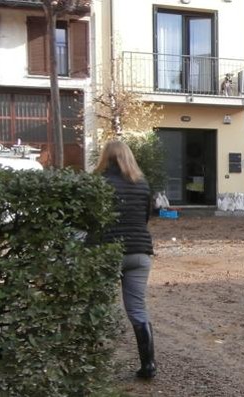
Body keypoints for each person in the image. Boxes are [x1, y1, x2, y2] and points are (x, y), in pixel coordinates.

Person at [95, 141, 157, 379]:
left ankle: (93, 364)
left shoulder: (99, 183)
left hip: (108, 252)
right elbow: (144, 217)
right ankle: (149, 365)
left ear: (106, 158)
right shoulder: (142, 184)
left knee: (98, 307)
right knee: (138, 310)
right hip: (140, 254)